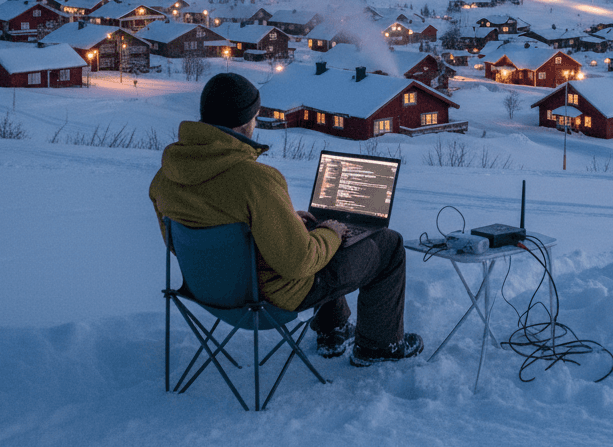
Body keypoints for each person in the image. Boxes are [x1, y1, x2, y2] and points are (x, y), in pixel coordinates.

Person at [150, 72, 422, 366]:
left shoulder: (166, 177)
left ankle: (334, 330)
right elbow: (299, 263)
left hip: (208, 291)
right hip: (269, 298)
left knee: (311, 232)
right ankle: (378, 347)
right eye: (255, 116)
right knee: (386, 244)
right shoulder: (255, 181)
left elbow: (185, 242)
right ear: (245, 123)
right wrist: (330, 233)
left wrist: (283, 222)